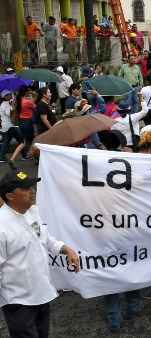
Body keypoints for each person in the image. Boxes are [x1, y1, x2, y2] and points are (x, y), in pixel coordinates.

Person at [0, 167, 80, 338]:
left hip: (42, 292)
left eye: (32, 187)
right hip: (18, 301)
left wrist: (66, 249)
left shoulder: (33, 211)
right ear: (10, 196)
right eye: (25, 188)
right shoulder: (1, 225)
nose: (32, 191)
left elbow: (45, 238)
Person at [0, 91, 24, 162]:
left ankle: (1, 157)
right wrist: (13, 107)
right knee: (22, 141)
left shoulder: (4, 104)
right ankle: (24, 155)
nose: (11, 96)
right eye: (9, 95)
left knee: (6, 141)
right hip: (10, 126)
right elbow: (9, 114)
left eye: (11, 94)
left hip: (5, 126)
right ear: (5, 96)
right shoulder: (5, 104)